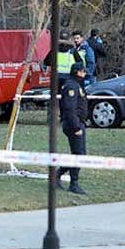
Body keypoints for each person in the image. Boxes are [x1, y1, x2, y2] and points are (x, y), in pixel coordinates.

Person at [55, 62, 88, 195]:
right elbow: (69, 109)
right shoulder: (71, 86)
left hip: (78, 123)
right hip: (73, 124)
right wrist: (76, 127)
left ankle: (58, 175)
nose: (85, 74)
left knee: (80, 154)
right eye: (83, 71)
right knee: (78, 154)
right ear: (78, 72)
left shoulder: (76, 85)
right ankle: (73, 183)